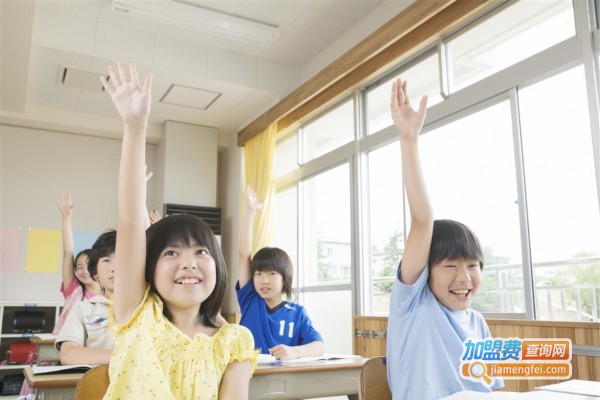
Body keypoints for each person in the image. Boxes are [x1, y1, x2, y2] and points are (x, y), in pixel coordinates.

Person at [101, 61, 256, 399]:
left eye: (201, 251)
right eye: (171, 252)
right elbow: (130, 223)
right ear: (149, 268)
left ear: (218, 265)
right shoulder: (138, 314)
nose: (188, 262)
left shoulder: (233, 342)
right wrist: (135, 126)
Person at [385, 79, 503, 399]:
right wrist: (409, 139)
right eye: (450, 265)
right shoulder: (412, 304)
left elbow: (491, 390)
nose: (464, 278)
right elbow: (422, 221)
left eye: (473, 265)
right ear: (426, 271)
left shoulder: (477, 323)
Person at [237, 185, 324, 360]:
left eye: (272, 274)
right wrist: (250, 212)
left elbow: (319, 346)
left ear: (285, 279)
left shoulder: (297, 313)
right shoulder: (250, 299)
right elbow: (243, 254)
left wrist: (295, 352)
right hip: (248, 372)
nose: (264, 280)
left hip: (283, 373)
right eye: (258, 274)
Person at [56, 230, 116, 365]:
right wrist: (124, 358)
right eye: (107, 260)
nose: (114, 268)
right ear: (95, 273)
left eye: (123, 260)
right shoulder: (83, 308)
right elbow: (68, 354)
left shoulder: (149, 305)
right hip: (98, 377)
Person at [53, 192, 101, 335]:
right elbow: (68, 251)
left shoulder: (109, 294)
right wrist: (66, 217)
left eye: (90, 265)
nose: (85, 271)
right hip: (69, 343)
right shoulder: (74, 288)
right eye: (79, 267)